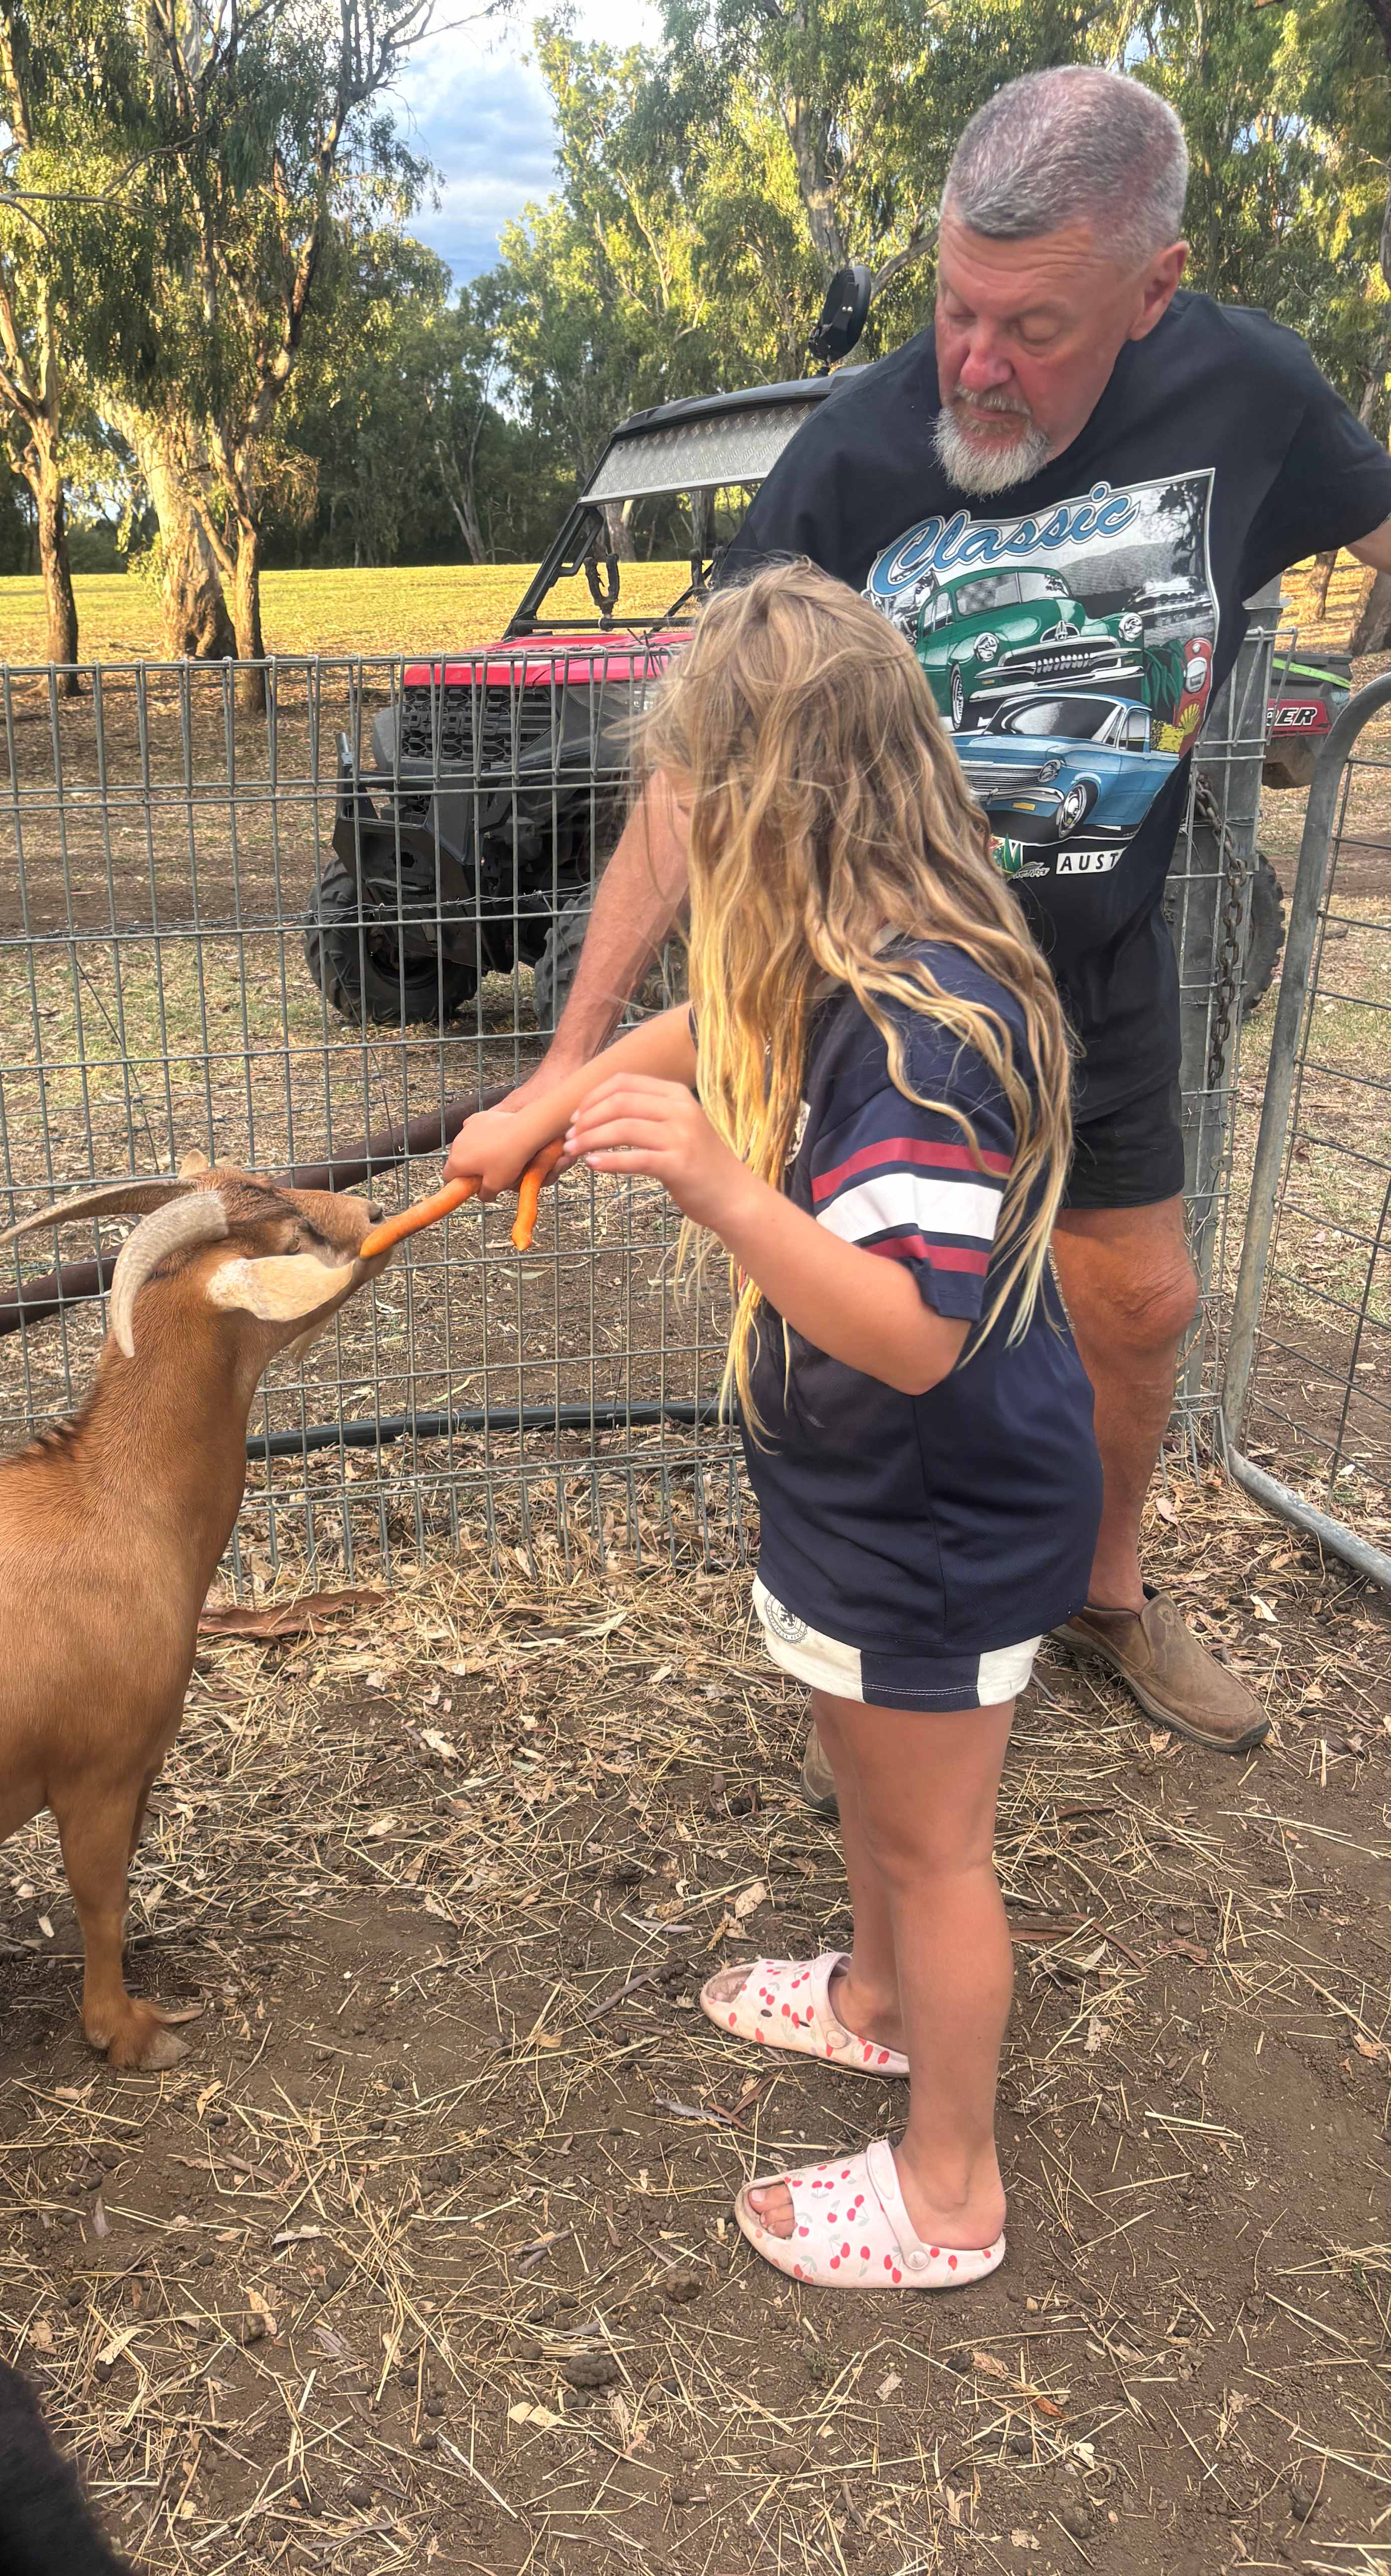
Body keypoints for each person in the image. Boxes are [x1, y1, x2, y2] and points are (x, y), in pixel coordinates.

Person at [453, 65, 1391, 1787]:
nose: (975, 361)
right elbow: (689, 769)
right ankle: (900, 1659)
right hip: (875, 988)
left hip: (1092, 969)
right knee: (886, 1318)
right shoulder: (859, 454)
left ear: (1154, 292)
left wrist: (1354, 682)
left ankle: (1099, 1595)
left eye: (1032, 326)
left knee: (1138, 1299)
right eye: (959, 304)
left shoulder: (1250, 393)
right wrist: (568, 1054)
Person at [459, 562, 1098, 2287]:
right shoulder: (838, 952)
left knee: (936, 1841)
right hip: (860, 1487)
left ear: (786, 800)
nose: (690, 838)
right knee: (868, 1782)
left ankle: (950, 2188)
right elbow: (703, 1024)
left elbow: (909, 1331)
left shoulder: (925, 1031)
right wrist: (552, 1100)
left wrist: (724, 1188)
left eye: (707, 799)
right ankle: (878, 1999)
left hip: (937, 1504)